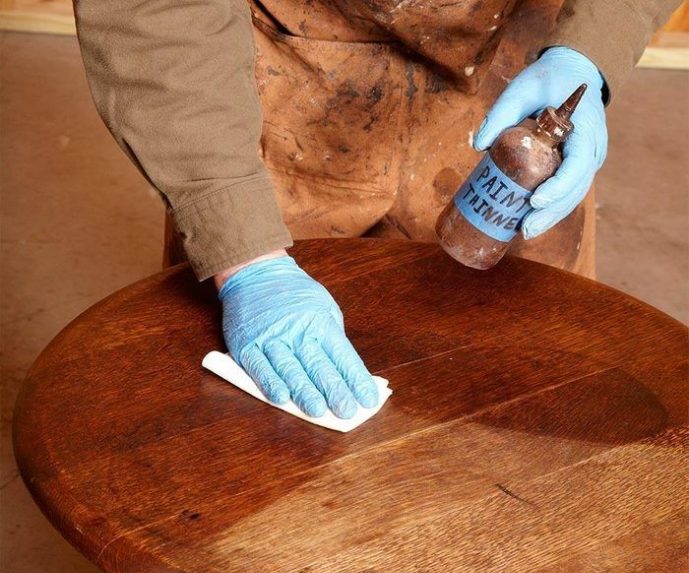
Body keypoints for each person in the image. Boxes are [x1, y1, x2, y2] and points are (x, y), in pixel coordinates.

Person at [73, 0, 680, 420]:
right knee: (254, 426)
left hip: (515, 73)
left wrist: (589, 52)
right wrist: (241, 248)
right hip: (278, 78)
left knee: (528, 391)